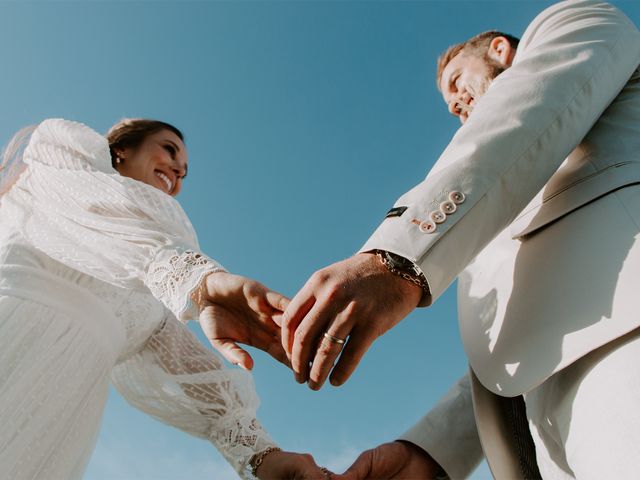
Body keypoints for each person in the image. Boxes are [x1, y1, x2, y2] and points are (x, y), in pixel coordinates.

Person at [279, 0, 640, 477]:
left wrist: (399, 256)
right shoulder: (497, 207)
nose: (452, 103)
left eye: (456, 81)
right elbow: (519, 345)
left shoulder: (577, 21)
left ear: (498, 49)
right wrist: (429, 452)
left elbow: (522, 113)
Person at [0, 118, 326, 479]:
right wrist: (193, 276)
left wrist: (264, 455)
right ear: (122, 147)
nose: (177, 171)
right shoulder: (65, 156)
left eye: (184, 173)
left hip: (54, 426)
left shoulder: (150, 299)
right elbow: (93, 208)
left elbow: (202, 382)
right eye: (169, 149)